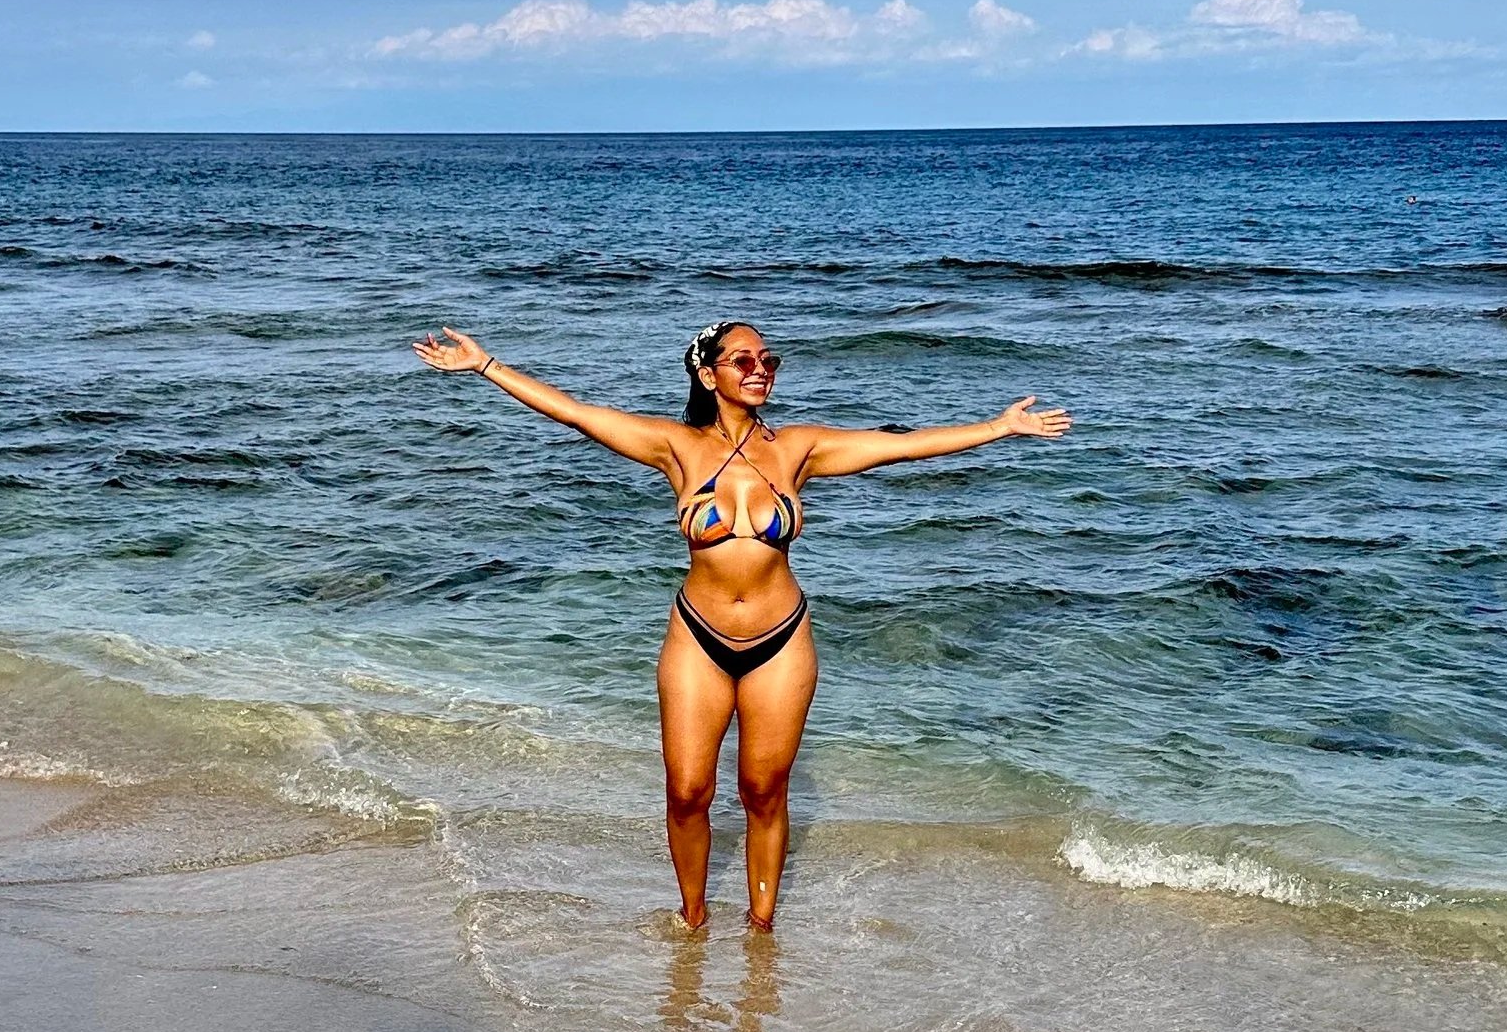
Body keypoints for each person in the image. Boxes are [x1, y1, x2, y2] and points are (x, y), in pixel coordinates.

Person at [411, 319, 1070, 931]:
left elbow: (900, 447)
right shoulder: (676, 447)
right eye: (743, 360)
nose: (759, 370)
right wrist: (486, 365)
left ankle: (761, 931)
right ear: (707, 375)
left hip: (780, 640)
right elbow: (577, 412)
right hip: (697, 637)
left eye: (767, 360)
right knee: (686, 792)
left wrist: (997, 427)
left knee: (763, 791)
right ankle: (692, 922)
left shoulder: (799, 449)